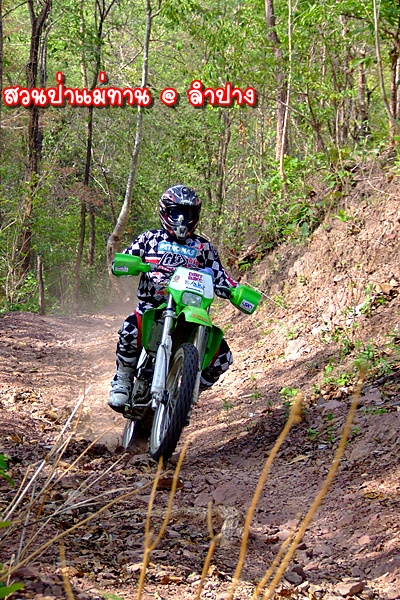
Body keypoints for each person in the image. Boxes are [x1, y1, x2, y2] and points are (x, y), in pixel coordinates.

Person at [108, 184, 238, 413]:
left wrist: (236, 291)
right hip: (152, 306)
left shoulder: (204, 247)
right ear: (165, 212)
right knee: (130, 328)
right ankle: (123, 378)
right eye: (176, 212)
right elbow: (124, 259)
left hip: (190, 311)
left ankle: (184, 395)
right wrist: (130, 264)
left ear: (196, 216)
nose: (181, 219)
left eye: (187, 214)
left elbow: (221, 276)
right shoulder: (150, 238)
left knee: (223, 357)